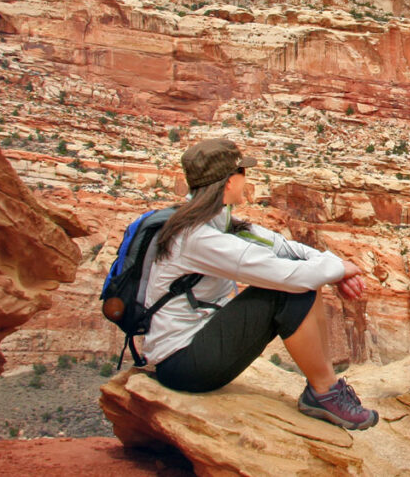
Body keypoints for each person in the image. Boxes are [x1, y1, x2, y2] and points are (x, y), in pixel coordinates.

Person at [142, 138, 378, 430]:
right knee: (292, 290)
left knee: (303, 277)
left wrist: (337, 270)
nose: (246, 178)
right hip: (182, 364)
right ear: (229, 181)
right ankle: (323, 392)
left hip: (195, 343)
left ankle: (324, 388)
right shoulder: (196, 237)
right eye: (243, 172)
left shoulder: (214, 220)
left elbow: (282, 247)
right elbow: (287, 276)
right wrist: (338, 269)